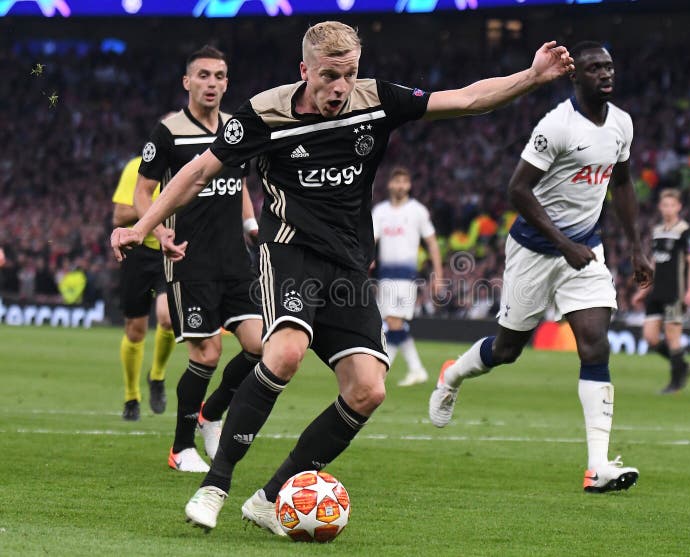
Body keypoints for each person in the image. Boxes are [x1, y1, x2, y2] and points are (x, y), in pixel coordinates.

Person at [111, 21, 573, 531]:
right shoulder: (263, 114)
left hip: (348, 265)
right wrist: (143, 227)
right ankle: (215, 486)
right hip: (287, 251)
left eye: (348, 75)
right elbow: (198, 171)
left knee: (368, 390)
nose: (338, 88)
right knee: (282, 352)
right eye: (328, 75)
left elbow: (465, 99)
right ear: (303, 70)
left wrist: (531, 77)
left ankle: (269, 498)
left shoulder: (375, 99)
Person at [428, 41, 653, 494]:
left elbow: (623, 183)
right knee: (508, 350)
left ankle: (598, 467)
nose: (605, 74)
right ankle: (452, 375)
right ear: (576, 77)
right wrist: (562, 242)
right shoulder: (556, 126)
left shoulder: (622, 124)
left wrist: (635, 246)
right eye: (594, 68)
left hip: (585, 251)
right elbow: (518, 191)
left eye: (609, 66)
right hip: (534, 251)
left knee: (594, 345)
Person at [134, 45, 263, 473]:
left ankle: (212, 413)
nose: (212, 83)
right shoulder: (168, 132)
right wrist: (158, 231)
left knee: (262, 347)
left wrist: (251, 227)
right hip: (189, 260)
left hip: (235, 260)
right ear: (187, 82)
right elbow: (141, 192)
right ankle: (180, 447)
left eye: (220, 76)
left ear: (227, 82)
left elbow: (240, 183)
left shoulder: (236, 128)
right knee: (205, 355)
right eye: (203, 75)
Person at [111, 155, 176, 421]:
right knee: (135, 331)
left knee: (169, 318)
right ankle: (131, 396)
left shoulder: (189, 166)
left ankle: (157, 376)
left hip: (169, 251)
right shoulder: (136, 167)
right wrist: (156, 208)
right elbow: (119, 214)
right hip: (137, 255)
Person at [372, 166, 443, 386]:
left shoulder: (417, 211)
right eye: (397, 181)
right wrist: (367, 260)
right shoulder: (380, 211)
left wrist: (438, 275)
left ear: (409, 185)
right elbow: (371, 240)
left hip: (405, 275)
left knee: (393, 320)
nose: (400, 185)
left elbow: (431, 243)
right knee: (392, 322)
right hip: (385, 275)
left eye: (404, 181)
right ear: (390, 184)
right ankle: (413, 369)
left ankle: (389, 371)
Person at [632, 188, 690, 394]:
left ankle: (675, 382)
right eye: (665, 205)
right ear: (660, 207)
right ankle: (683, 366)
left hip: (674, 291)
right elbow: (654, 261)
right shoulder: (657, 231)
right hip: (657, 292)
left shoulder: (685, 231)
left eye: (672, 205)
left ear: (679, 207)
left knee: (672, 337)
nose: (668, 208)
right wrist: (643, 288)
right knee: (650, 337)